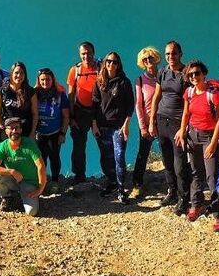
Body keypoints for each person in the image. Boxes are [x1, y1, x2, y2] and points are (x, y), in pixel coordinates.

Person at [179, 60, 219, 228]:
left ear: (203, 73)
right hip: (193, 135)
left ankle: (217, 212)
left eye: (197, 73)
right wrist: (182, 132)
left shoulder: (213, 94)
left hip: (208, 137)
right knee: (195, 172)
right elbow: (185, 114)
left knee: (212, 175)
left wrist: (214, 143)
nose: (194, 77)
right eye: (190, 74)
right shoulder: (189, 92)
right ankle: (196, 204)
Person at [149, 40, 191, 215]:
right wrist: (152, 120)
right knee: (167, 160)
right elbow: (157, 96)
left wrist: (183, 128)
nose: (170, 57)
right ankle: (172, 191)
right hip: (162, 120)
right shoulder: (163, 72)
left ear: (180, 54)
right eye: (167, 54)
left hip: (177, 122)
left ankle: (184, 198)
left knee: (179, 162)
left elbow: (188, 102)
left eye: (173, 53)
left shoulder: (186, 73)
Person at [91, 52, 135, 205]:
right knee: (106, 157)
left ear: (118, 64)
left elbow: (130, 105)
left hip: (118, 127)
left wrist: (126, 124)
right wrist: (94, 124)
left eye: (114, 62)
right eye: (108, 61)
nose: (111, 64)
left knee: (119, 157)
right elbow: (94, 104)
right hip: (102, 127)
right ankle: (112, 182)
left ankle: (121, 189)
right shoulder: (99, 81)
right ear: (104, 63)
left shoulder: (124, 82)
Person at [0, 117, 46, 215]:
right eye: (11, 128)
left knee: (31, 212)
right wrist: (11, 171)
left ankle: (28, 198)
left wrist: (40, 189)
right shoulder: (2, 146)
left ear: (21, 129)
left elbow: (40, 165)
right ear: (6, 131)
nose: (14, 131)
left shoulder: (29, 144)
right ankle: (8, 198)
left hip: (29, 182)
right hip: (13, 180)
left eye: (17, 127)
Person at [66, 41, 99, 185]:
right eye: (83, 53)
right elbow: (71, 94)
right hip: (80, 111)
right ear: (80, 54)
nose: (86, 56)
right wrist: (71, 117)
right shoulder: (75, 70)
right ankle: (79, 175)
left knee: (104, 142)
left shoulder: (101, 68)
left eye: (89, 53)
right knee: (79, 145)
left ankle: (111, 174)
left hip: (98, 112)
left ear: (93, 53)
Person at [34, 68, 70, 191]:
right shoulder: (34, 94)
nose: (45, 82)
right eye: (42, 80)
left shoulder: (60, 94)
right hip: (39, 133)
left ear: (52, 80)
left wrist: (63, 133)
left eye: (48, 79)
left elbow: (66, 116)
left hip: (54, 133)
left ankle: (55, 181)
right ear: (38, 81)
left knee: (54, 157)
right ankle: (42, 182)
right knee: (40, 159)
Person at [131, 46, 160, 198]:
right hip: (147, 123)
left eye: (150, 58)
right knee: (143, 154)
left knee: (171, 153)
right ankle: (137, 184)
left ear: (156, 58)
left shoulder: (163, 76)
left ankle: (173, 185)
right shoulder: (140, 80)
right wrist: (143, 126)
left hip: (163, 122)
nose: (148, 61)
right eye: (145, 59)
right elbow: (138, 105)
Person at [0, 61, 38, 137]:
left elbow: (35, 114)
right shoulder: (2, 91)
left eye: (22, 73)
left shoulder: (30, 92)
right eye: (16, 73)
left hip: (25, 131)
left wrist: (33, 132)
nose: (19, 75)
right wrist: (3, 128)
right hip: (9, 132)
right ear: (11, 74)